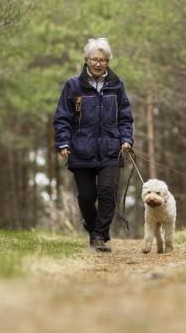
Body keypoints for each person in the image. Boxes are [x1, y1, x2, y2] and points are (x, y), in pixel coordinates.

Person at [53, 38, 134, 252]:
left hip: (111, 149)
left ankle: (100, 236)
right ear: (86, 60)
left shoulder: (116, 85)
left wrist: (126, 139)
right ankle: (91, 225)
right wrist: (62, 142)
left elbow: (125, 117)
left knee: (107, 193)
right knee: (86, 197)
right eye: (94, 59)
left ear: (108, 61)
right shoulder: (73, 85)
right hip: (81, 149)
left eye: (103, 60)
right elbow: (62, 117)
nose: (98, 64)